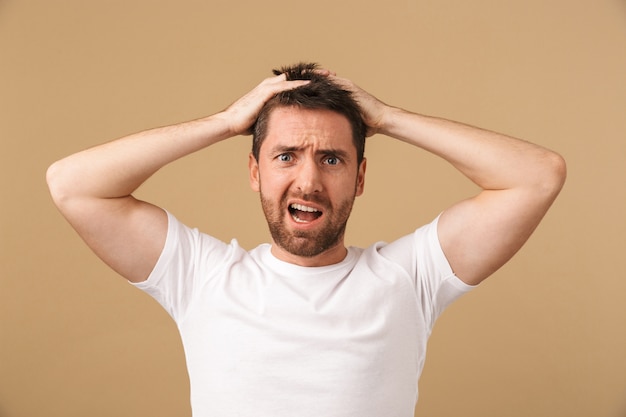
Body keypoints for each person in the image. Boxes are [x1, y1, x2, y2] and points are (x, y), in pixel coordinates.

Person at [46, 62, 566, 416]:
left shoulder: (409, 278)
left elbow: (537, 175)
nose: (309, 180)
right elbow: (73, 185)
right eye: (285, 155)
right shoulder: (200, 276)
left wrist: (387, 118)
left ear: (360, 178)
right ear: (255, 171)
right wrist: (226, 122)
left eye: (332, 158)